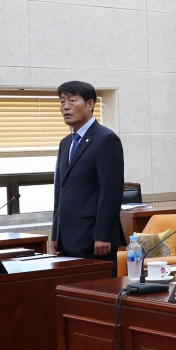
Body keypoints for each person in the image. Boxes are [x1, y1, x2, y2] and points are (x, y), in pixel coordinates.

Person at [51, 82, 125, 270]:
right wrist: (55, 235)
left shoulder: (105, 139)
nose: (65, 107)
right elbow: (60, 191)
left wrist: (104, 235)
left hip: (94, 240)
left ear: (90, 104)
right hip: (67, 239)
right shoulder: (65, 143)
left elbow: (111, 192)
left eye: (72, 101)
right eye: (62, 102)